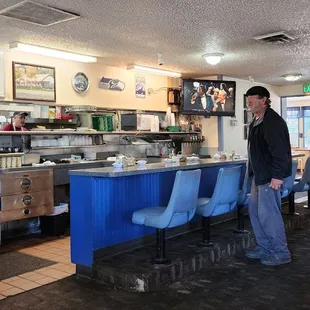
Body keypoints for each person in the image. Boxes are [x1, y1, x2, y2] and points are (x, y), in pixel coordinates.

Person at [245, 86, 292, 266]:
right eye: (247, 98)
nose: (249, 101)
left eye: (252, 98)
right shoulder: (256, 122)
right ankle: (265, 247)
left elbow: (280, 151)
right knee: (255, 212)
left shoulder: (272, 121)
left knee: (269, 214)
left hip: (271, 177)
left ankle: (280, 252)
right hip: (259, 176)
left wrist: (277, 176)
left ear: (263, 100)